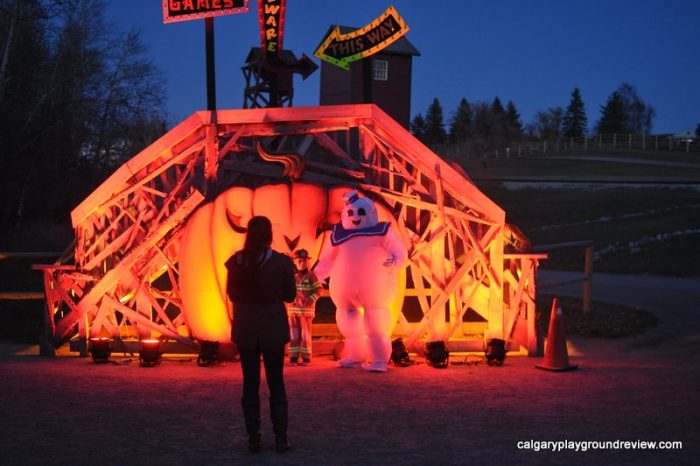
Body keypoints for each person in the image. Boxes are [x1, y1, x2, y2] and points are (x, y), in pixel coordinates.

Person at [225, 216, 296, 454]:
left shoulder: (236, 262)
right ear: (269, 235)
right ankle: (280, 438)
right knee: (276, 383)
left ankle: (253, 437)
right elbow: (289, 295)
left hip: (246, 329)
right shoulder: (281, 262)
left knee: (250, 383)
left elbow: (232, 295)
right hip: (273, 328)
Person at [287, 249, 323, 366]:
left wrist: (311, 299)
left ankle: (306, 357)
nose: (302, 263)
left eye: (305, 260)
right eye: (300, 260)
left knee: (305, 335)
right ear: (295, 261)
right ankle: (293, 357)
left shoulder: (311, 276)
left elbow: (319, 290)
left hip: (306, 312)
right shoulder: (291, 276)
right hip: (293, 311)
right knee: (293, 334)